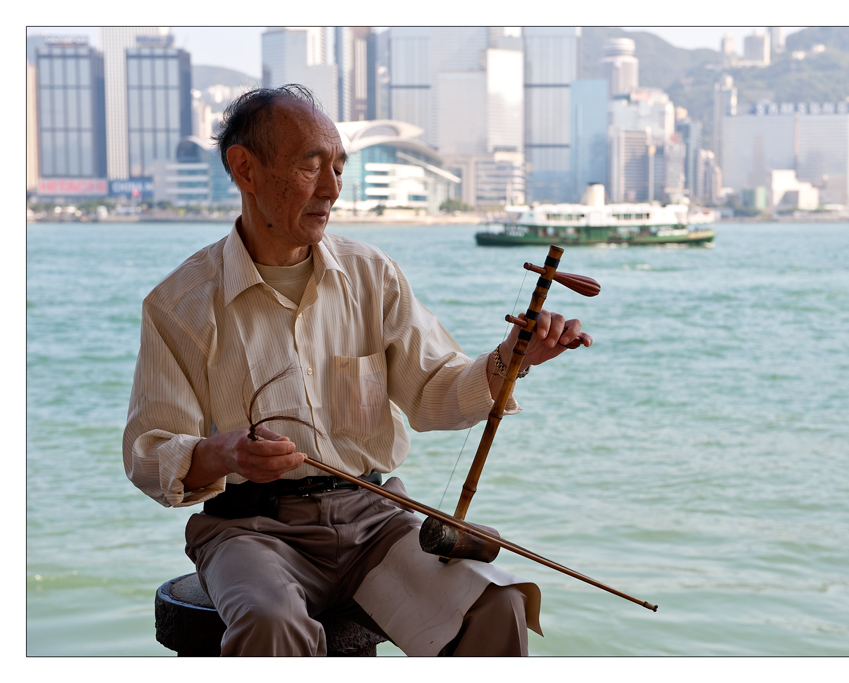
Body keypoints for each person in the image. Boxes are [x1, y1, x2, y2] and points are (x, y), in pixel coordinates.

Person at [122, 84, 592, 656]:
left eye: (340, 168)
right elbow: (150, 453)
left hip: (378, 521)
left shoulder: (373, 275)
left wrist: (509, 360)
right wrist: (225, 453)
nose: (331, 189)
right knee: (271, 623)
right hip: (250, 530)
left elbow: (435, 392)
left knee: (496, 603)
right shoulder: (180, 303)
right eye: (309, 166)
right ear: (244, 168)